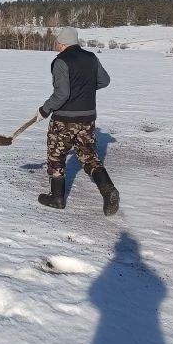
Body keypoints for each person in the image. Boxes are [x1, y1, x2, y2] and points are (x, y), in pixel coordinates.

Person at [36, 27, 119, 214]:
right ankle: (108, 190)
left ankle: (57, 197)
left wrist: (45, 109)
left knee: (56, 157)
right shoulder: (91, 58)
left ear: (63, 43)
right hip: (87, 118)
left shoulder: (60, 61)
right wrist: (85, 89)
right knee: (89, 156)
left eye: (58, 42)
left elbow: (61, 94)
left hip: (64, 119)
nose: (57, 46)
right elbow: (104, 81)